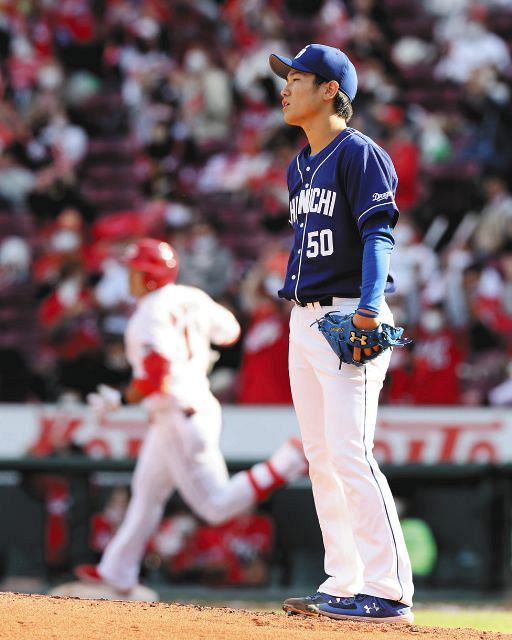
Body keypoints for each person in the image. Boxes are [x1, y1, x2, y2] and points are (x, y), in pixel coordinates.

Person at [268, 44, 414, 623]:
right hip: (303, 318)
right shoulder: (298, 164)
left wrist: (371, 310)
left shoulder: (360, 154)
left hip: (349, 313)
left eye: (297, 78)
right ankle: (345, 580)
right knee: (321, 456)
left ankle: (390, 590)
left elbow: (379, 234)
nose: (285, 87)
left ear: (331, 90)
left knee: (351, 453)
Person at [75, 238, 306, 594]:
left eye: (135, 271)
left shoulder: (146, 316)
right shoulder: (192, 296)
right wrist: (197, 350)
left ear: (149, 276)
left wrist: (120, 398)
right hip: (190, 406)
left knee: (214, 506)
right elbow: (230, 332)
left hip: (178, 414)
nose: (130, 277)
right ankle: (117, 570)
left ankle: (287, 461)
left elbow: (155, 374)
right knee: (146, 493)